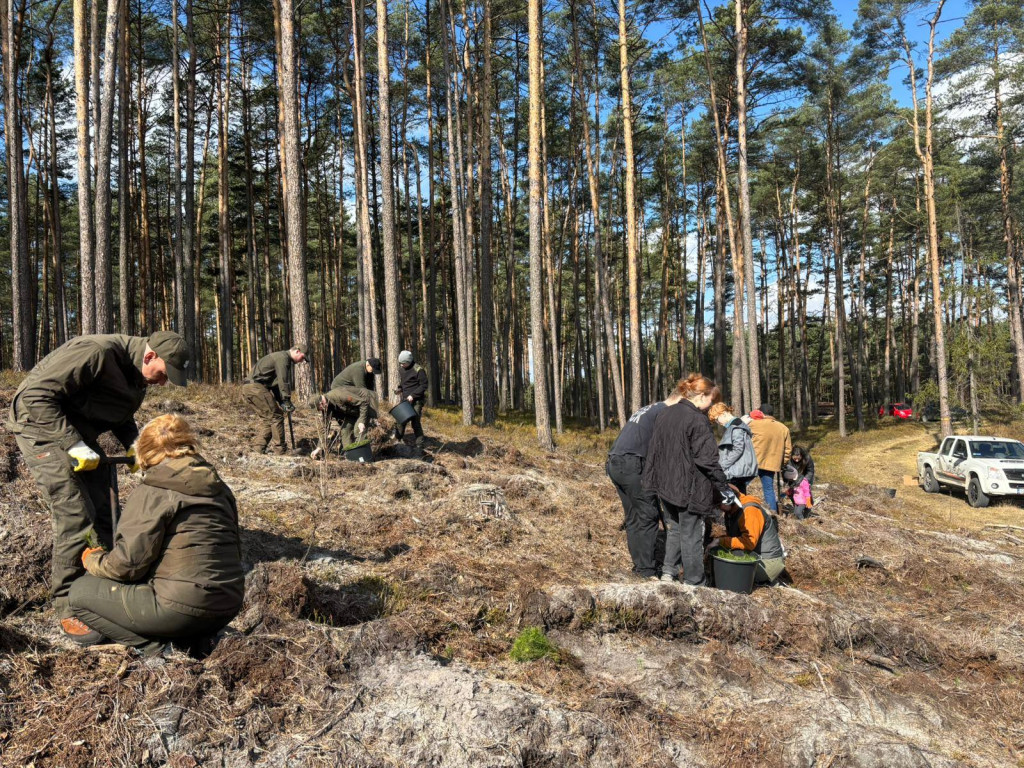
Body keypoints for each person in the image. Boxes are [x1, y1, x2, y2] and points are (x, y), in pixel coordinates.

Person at [6, 331, 191, 643]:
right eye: (162, 375)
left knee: (106, 512)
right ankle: (68, 605)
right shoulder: (96, 352)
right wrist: (73, 444)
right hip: (39, 425)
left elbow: (121, 414)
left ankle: (101, 588)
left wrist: (137, 449)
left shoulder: (136, 375)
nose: (162, 384)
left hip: (78, 430)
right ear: (149, 357)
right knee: (76, 516)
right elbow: (34, 396)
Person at [68, 414, 244, 655]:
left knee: (79, 592)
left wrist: (93, 560)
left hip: (179, 609)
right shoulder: (219, 487)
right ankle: (201, 639)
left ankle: (158, 648)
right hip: (229, 603)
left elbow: (128, 566)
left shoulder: (156, 489)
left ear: (145, 452)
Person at [643, 374, 736, 586]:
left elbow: (656, 448)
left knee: (675, 529)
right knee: (691, 534)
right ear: (701, 396)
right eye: (711, 399)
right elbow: (707, 459)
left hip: (666, 485)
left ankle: (668, 572)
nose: (711, 405)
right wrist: (722, 485)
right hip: (689, 488)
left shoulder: (665, 413)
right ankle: (694, 581)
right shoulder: (697, 419)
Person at [606, 389, 686, 580]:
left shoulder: (651, 408)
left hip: (616, 462)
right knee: (648, 515)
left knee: (634, 516)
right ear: (679, 400)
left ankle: (640, 566)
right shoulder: (665, 412)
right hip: (632, 464)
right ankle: (647, 571)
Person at [707, 491, 787, 585]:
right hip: (755, 555)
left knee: (726, 573)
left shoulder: (750, 511)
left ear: (728, 501)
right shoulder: (732, 511)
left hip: (767, 561)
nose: (718, 509)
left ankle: (768, 581)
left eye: (719, 505)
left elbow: (749, 543)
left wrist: (720, 541)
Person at [241, 344, 309, 454]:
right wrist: (286, 399)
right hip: (255, 388)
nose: (302, 361)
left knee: (270, 419)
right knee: (276, 417)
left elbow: (275, 385)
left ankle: (257, 449)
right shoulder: (283, 358)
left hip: (250, 388)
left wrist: (282, 401)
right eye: (302, 357)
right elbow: (283, 380)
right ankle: (281, 450)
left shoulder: (280, 357)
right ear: (297, 351)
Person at [748, 403, 792, 513]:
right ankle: (773, 514)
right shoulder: (783, 428)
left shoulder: (753, 424)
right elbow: (788, 450)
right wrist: (783, 464)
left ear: (761, 413)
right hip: (771, 464)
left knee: (741, 486)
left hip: (752, 462)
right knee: (768, 490)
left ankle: (739, 510)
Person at [310, 383, 380, 450]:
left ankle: (363, 456)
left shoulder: (340, 395)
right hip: (354, 412)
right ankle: (351, 456)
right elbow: (325, 428)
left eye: (318, 408)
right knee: (345, 431)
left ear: (321, 403)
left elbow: (363, 402)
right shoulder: (326, 407)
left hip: (369, 403)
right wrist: (319, 447)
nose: (319, 410)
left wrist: (361, 421)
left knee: (358, 430)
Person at [709, 403, 758, 493]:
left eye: (717, 419)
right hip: (739, 469)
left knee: (737, 499)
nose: (718, 422)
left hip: (737, 470)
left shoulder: (736, 427)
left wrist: (723, 465)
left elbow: (738, 449)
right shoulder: (737, 426)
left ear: (723, 413)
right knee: (740, 497)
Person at [394, 350, 428, 447]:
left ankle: (419, 445)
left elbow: (424, 385)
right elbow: (404, 383)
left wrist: (413, 395)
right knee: (400, 420)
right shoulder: (402, 369)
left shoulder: (418, 370)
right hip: (405, 400)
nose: (401, 365)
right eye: (400, 363)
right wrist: (400, 389)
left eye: (403, 363)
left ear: (409, 361)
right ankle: (397, 441)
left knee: (415, 422)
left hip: (417, 400)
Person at [784, 445, 815, 520]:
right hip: (793, 478)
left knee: (806, 493)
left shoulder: (807, 458)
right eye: (795, 458)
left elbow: (810, 471)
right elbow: (786, 471)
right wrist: (789, 481)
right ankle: (797, 510)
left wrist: (805, 480)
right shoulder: (789, 460)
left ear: (801, 455)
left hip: (805, 478)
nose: (797, 460)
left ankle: (807, 510)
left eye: (798, 458)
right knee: (793, 494)